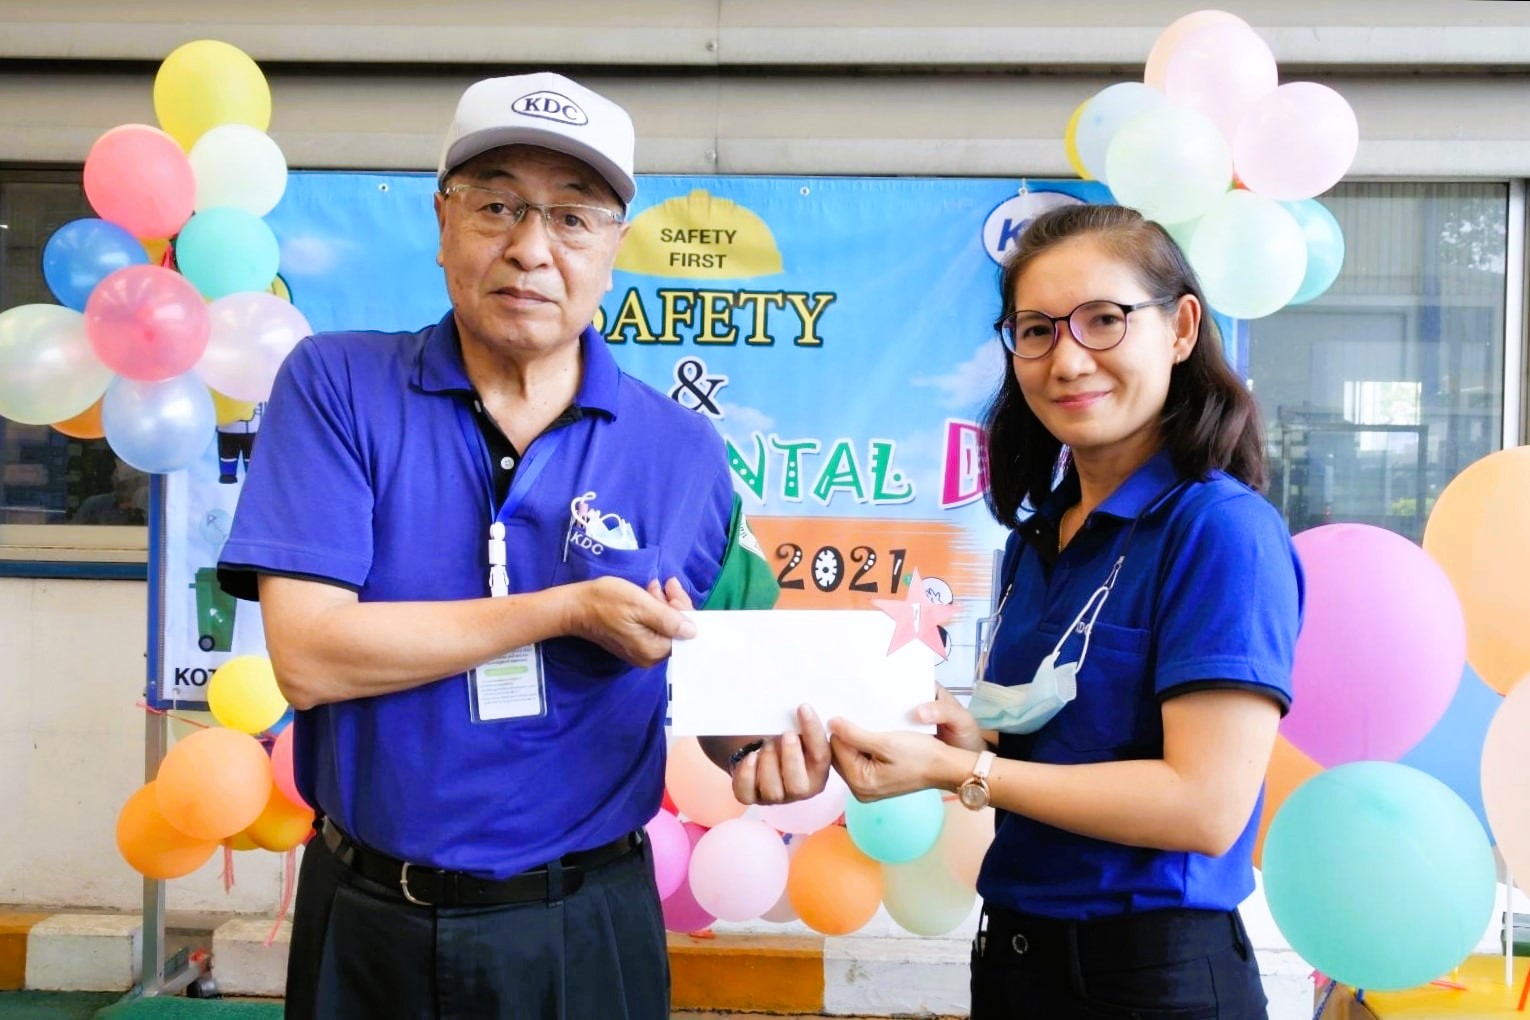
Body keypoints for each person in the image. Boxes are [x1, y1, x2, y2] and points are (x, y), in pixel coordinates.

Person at [217, 71, 827, 1020]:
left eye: (573, 217)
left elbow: (725, 684)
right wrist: (565, 609)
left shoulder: (681, 451)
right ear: (443, 222)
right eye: (497, 205)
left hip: (585, 926)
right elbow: (310, 656)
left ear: (613, 248)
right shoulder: (338, 386)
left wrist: (762, 747)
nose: (531, 249)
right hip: (370, 915)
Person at [827, 204, 1303, 1018]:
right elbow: (1057, 744)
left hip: (1152, 980)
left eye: (1104, 320)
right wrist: (971, 741)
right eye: (1037, 331)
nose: (1069, 359)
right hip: (1016, 958)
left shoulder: (1222, 532)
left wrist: (965, 773)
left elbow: (1204, 807)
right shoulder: (1037, 539)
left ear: (1181, 328)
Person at [72, 460, 148, 524]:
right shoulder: (95, 505)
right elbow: (72, 531)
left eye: (126, 481)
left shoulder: (147, 508)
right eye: (118, 481)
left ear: (138, 482)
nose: (121, 486)